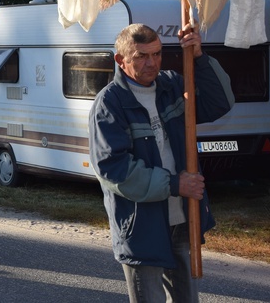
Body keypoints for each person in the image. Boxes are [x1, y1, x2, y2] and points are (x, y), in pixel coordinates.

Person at [89, 22, 234, 302]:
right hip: (142, 226)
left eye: (156, 54)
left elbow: (220, 103)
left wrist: (199, 57)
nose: (152, 63)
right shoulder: (109, 104)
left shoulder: (172, 85)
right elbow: (113, 168)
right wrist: (174, 184)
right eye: (141, 56)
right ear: (121, 60)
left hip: (183, 218)